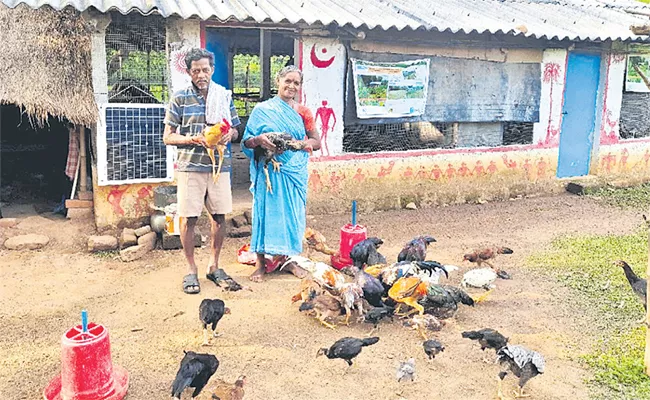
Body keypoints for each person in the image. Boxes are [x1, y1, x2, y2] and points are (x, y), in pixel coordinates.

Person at [163, 48, 240, 294]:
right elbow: (168, 137)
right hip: (190, 166)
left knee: (219, 217)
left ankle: (214, 266)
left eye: (205, 70)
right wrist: (193, 139)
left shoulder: (223, 96)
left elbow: (236, 130)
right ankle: (191, 270)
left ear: (212, 70)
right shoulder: (179, 98)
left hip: (219, 166)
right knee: (189, 218)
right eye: (196, 70)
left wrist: (229, 134)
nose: (201, 75)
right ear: (189, 72)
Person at [241, 65, 321, 282]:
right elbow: (246, 141)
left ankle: (287, 261)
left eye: (296, 83)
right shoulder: (262, 110)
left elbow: (317, 142)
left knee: (291, 216)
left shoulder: (303, 112)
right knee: (264, 213)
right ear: (279, 81)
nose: (292, 86)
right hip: (269, 171)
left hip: (294, 170)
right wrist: (260, 140)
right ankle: (260, 264)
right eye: (288, 81)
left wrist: (299, 144)